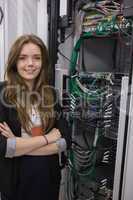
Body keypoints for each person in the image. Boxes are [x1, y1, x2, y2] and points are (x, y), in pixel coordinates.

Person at [0, 34, 71, 200]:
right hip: (16, 185)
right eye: (23, 58)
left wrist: (19, 146)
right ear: (14, 62)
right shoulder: (2, 94)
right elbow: (4, 148)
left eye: (36, 58)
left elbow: (66, 139)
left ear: (43, 62)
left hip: (48, 182)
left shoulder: (50, 94)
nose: (30, 64)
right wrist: (49, 138)